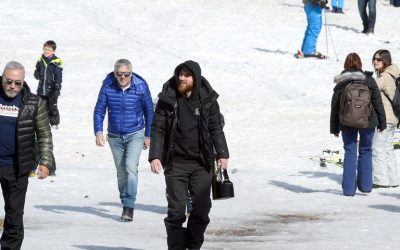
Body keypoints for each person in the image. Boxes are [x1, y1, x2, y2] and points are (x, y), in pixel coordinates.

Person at [149, 60, 229, 250]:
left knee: (201, 212)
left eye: (186, 75)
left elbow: (216, 127)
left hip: (201, 164)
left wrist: (222, 153)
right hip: (175, 164)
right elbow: (158, 127)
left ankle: (193, 246)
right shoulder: (168, 97)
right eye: (180, 74)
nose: (182, 78)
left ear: (196, 77)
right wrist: (155, 155)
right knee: (176, 212)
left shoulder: (207, 98)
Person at [0, 61, 54, 249]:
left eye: (17, 83)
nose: (12, 86)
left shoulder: (33, 102)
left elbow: (44, 134)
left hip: (17, 167)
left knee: (14, 217)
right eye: (9, 82)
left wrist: (46, 162)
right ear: (3, 79)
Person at [93, 59, 154, 222]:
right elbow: (99, 110)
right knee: (121, 171)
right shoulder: (108, 86)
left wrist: (148, 135)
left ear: (131, 74)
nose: (123, 78)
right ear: (115, 74)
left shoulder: (140, 86)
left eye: (126, 75)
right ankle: (124, 199)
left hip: (135, 133)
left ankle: (129, 206)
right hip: (114, 136)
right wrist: (98, 131)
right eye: (119, 74)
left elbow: (149, 111)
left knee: (130, 167)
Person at [330, 53, 386, 196]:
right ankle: (366, 186)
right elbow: (377, 102)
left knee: (350, 153)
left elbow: (335, 105)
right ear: (360, 64)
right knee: (366, 151)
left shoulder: (342, 80)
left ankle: (349, 190)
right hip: (368, 122)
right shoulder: (368, 79)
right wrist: (382, 123)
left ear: (346, 64)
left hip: (346, 122)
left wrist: (334, 128)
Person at [371, 49, 400, 188]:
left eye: (379, 59)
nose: (375, 61)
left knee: (377, 148)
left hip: (385, 119)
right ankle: (393, 180)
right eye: (374, 59)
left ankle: (380, 180)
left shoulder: (384, 77)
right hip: (393, 119)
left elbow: (369, 89)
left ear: (386, 61)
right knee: (388, 148)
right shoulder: (394, 75)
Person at [34, 40, 63, 176]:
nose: (46, 51)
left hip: (51, 90)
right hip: (41, 90)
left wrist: (57, 88)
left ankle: (55, 121)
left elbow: (58, 77)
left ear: (54, 51)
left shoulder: (56, 62)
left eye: (49, 50)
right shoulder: (40, 60)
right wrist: (37, 74)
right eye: (45, 49)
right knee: (41, 106)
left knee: (53, 106)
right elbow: (36, 73)